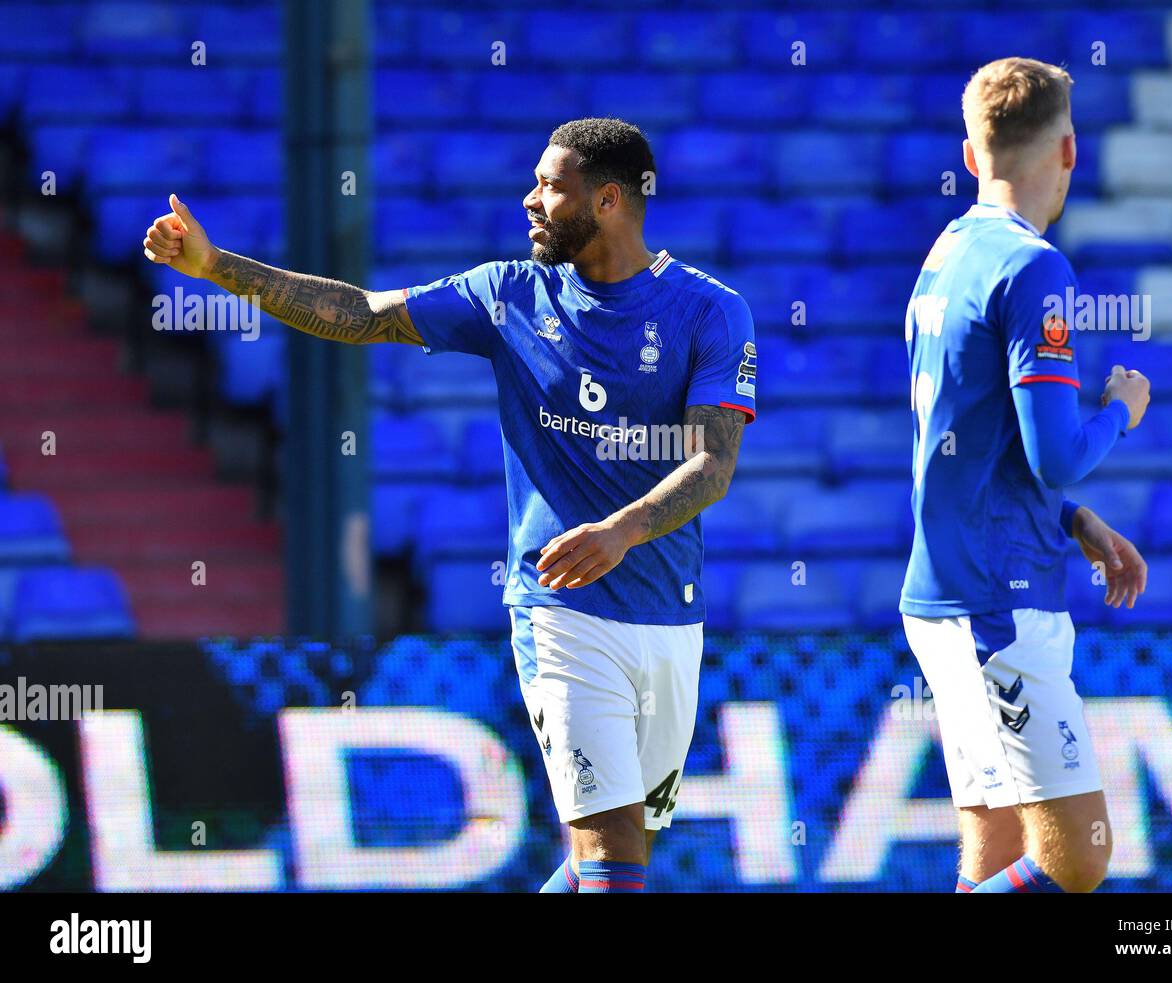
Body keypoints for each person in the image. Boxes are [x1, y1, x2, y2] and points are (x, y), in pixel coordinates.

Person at [143, 117, 756, 893]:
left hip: (670, 612)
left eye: (550, 186)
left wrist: (623, 531)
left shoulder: (709, 312)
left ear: (607, 200)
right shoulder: (508, 295)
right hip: (560, 608)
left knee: (614, 851)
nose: (529, 200)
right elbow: (364, 313)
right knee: (610, 851)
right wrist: (221, 267)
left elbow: (712, 463)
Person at [899, 58, 1151, 893]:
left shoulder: (945, 256)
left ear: (970, 157)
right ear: (1071, 150)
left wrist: (1075, 521)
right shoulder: (1035, 269)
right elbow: (1053, 452)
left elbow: (975, 440)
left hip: (947, 589)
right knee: (1078, 857)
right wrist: (1121, 409)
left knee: (996, 845)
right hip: (998, 597)